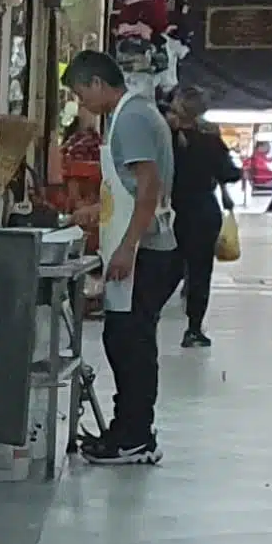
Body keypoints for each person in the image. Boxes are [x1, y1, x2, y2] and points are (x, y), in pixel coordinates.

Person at [76, 52, 172, 465]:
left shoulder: (131, 118)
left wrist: (127, 246)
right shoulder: (129, 114)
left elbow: (149, 188)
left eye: (81, 93)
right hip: (140, 243)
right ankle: (127, 429)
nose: (81, 103)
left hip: (147, 251)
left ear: (98, 83)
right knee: (123, 340)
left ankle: (134, 436)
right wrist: (97, 214)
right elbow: (131, 189)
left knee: (130, 343)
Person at [168, 86, 235, 350]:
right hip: (203, 211)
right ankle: (194, 328)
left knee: (167, 266)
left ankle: (145, 316)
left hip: (170, 209)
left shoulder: (166, 137)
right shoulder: (210, 140)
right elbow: (230, 173)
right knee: (199, 272)